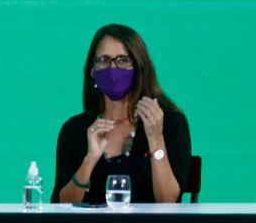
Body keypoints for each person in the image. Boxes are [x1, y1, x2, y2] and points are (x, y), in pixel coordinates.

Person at [54, 24, 191, 204]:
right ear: (92, 72)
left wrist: (156, 138)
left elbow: (168, 201)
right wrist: (90, 159)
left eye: (123, 60)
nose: (112, 68)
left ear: (139, 67)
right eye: (103, 60)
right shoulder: (74, 129)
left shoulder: (171, 123)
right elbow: (63, 207)